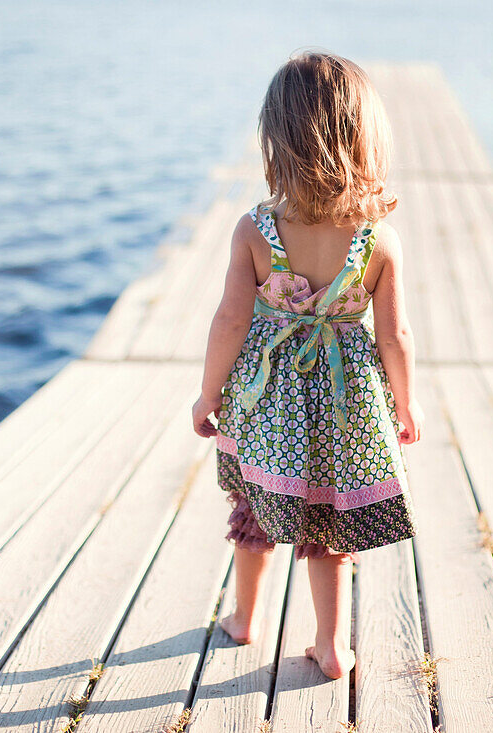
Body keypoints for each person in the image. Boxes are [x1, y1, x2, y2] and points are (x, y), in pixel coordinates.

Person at [191, 50, 423, 681]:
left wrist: (207, 394)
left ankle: (244, 620)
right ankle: (331, 645)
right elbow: (394, 335)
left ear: (278, 142)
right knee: (329, 526)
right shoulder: (377, 239)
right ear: (364, 139)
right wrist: (404, 403)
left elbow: (230, 323)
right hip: (344, 411)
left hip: (267, 404)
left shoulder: (255, 230)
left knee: (254, 505)